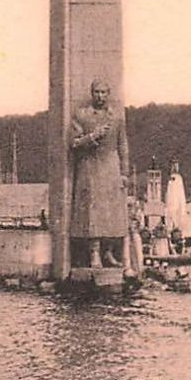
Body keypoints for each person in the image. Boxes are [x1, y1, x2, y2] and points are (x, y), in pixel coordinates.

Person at [69, 78, 129, 269]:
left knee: (112, 212)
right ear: (91, 93)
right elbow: (74, 142)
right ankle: (94, 254)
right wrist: (93, 136)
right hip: (90, 165)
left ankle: (108, 253)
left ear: (108, 94)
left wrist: (124, 172)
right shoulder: (82, 115)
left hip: (111, 166)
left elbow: (123, 145)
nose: (100, 96)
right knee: (92, 212)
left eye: (104, 92)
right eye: (97, 92)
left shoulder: (117, 117)